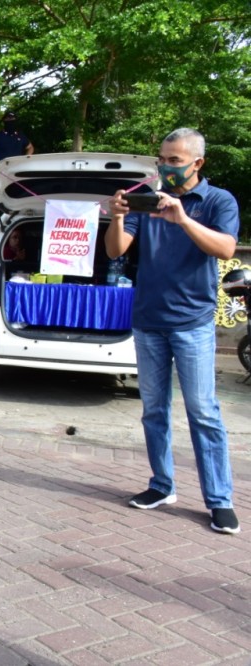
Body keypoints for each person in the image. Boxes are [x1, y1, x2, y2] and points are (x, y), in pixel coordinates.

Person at [106, 127, 240, 535]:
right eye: (162, 159)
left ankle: (220, 500)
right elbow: (115, 251)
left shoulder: (218, 201)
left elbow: (225, 249)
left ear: (197, 163)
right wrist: (117, 217)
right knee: (154, 411)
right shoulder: (146, 202)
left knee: (203, 413)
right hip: (148, 321)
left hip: (193, 323)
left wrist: (181, 218)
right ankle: (161, 485)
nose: (166, 167)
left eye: (175, 161)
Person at [0, 110, 34, 184]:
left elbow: (30, 147)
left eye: (12, 119)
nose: (10, 121)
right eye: (8, 119)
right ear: (4, 120)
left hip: (17, 172)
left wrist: (26, 158)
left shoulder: (20, 136)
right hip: (1, 172)